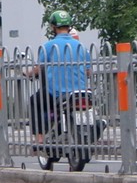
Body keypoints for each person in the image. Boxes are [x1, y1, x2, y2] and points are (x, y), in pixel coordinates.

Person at [30, 10, 92, 143]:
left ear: (53, 27)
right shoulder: (81, 46)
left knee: (34, 101)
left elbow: (38, 69)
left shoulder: (48, 46)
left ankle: (39, 137)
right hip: (79, 92)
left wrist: (27, 73)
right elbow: (88, 72)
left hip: (56, 93)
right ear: (69, 26)